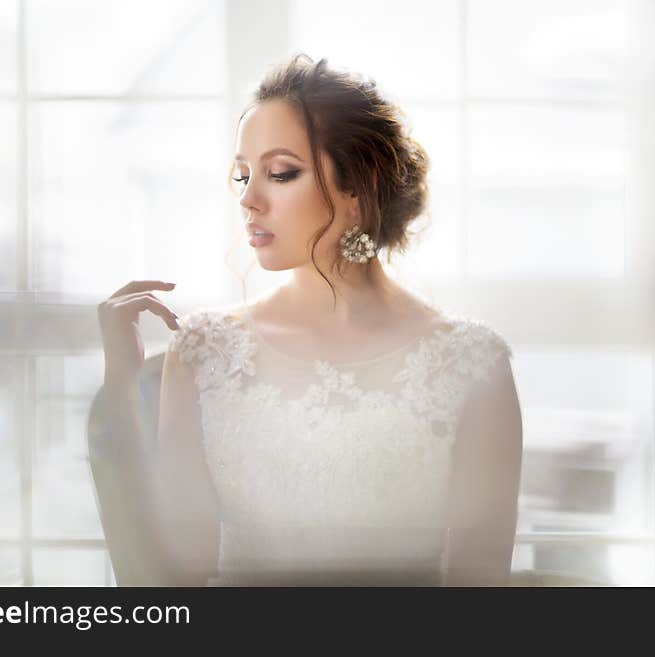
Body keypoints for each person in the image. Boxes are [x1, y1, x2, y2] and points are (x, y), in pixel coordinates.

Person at [93, 53, 523, 586]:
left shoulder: (473, 363)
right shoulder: (205, 351)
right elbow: (172, 587)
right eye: (243, 175)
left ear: (358, 186)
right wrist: (121, 385)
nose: (248, 199)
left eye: (280, 173)